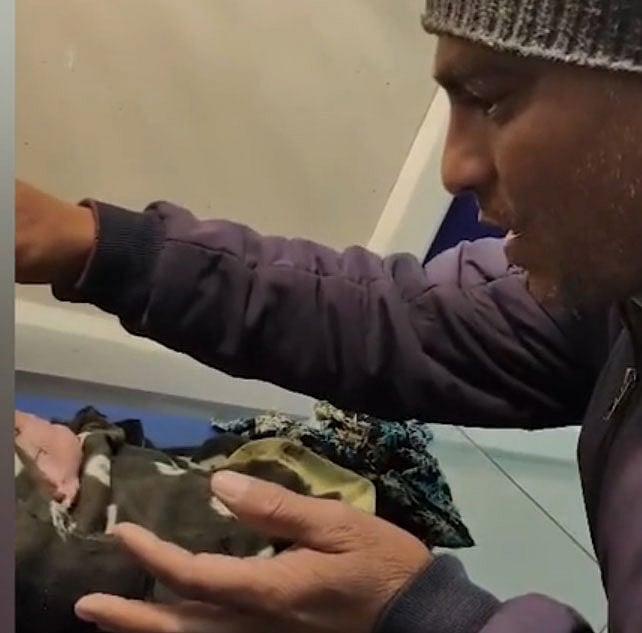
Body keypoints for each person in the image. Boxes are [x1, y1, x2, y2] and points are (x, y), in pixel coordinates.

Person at [14, 0, 642, 631]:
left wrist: (427, 615)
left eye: (492, 100)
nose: (455, 168)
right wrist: (98, 247)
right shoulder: (611, 303)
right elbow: (404, 320)